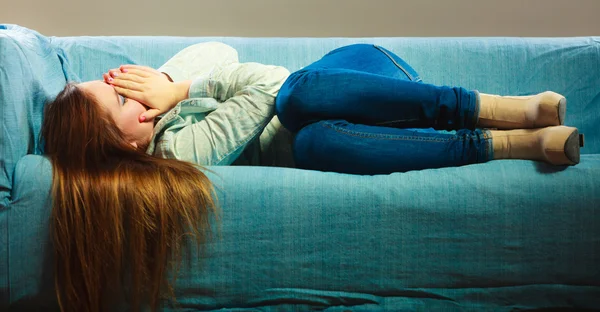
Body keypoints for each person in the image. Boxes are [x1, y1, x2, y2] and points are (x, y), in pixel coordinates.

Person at [41, 41, 583, 312]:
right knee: (312, 139)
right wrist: (186, 92)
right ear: (124, 144)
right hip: (353, 131)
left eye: (120, 83)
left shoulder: (159, 94)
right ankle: (510, 140)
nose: (133, 90)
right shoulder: (179, 150)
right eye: (121, 100)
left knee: (305, 96)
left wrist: (167, 80)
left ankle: (490, 107)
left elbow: (221, 49)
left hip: (359, 79)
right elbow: (265, 89)